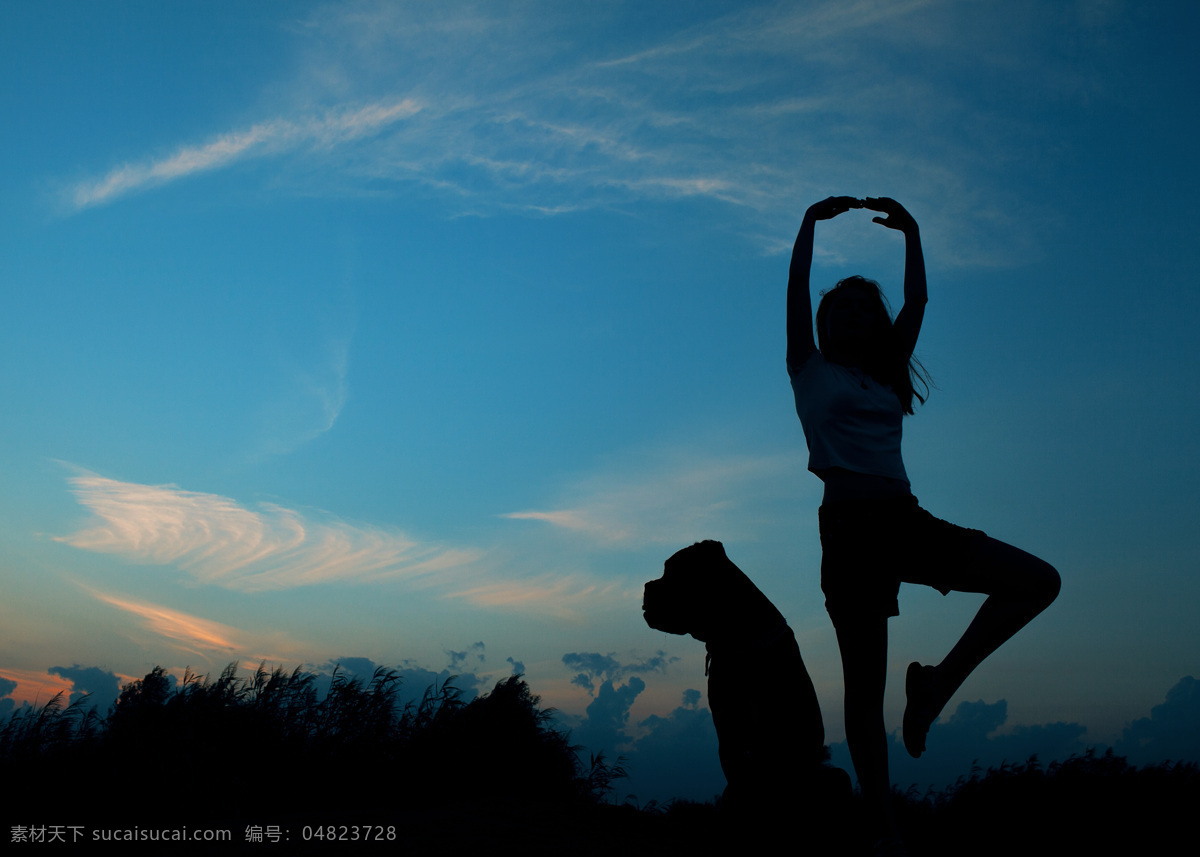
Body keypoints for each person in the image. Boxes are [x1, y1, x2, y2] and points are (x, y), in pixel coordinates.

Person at [786, 196, 1060, 854]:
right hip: (850, 531)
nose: (850, 313)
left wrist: (912, 233)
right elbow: (797, 286)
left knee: (1038, 581)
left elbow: (918, 303)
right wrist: (808, 225)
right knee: (864, 689)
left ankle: (937, 681)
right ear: (821, 324)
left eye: (862, 308)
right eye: (838, 308)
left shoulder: (885, 374)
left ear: (876, 325)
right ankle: (883, 826)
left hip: (907, 519)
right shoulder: (808, 367)